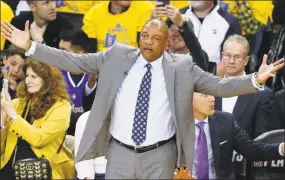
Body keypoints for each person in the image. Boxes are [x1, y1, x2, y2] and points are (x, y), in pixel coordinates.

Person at [1, 18, 284, 179]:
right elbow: (73, 61)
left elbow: (217, 86)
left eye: (155, 38)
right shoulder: (116, 56)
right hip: (119, 152)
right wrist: (32, 48)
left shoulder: (182, 67)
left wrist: (255, 79)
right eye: (144, 36)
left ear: (167, 43)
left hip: (161, 155)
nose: (148, 41)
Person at [0, 60, 75, 179]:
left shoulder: (61, 107)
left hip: (40, 172)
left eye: (33, 77)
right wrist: (2, 122)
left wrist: (13, 116)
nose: (28, 81)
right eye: (27, 76)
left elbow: (39, 139)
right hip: (9, 170)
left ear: (47, 81)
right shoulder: (16, 104)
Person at [191, 92, 284, 179]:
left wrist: (282, 148)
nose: (212, 99)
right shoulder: (177, 124)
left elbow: (253, 150)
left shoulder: (225, 120)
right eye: (205, 95)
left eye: (212, 94)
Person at [215, 35, 274, 138]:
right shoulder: (209, 88)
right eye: (227, 55)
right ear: (222, 56)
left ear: (246, 60)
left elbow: (261, 140)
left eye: (237, 57)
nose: (231, 61)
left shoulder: (262, 94)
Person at [59, 30, 94, 135]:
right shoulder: (55, 73)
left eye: (63, 50)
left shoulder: (95, 74)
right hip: (61, 133)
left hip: (87, 134)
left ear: (80, 54)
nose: (58, 54)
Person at [4, 0, 73, 49]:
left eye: (53, 1)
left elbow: (59, 62)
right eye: (46, 3)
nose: (53, 7)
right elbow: (8, 53)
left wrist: (40, 41)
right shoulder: (19, 22)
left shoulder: (65, 26)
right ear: (33, 7)